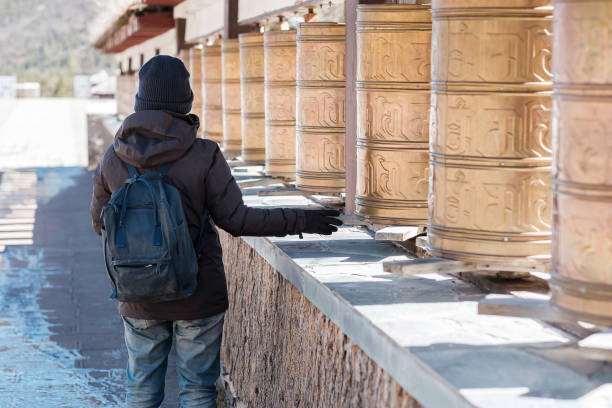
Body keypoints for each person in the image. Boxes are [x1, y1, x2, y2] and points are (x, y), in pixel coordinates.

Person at [89, 55, 342, 408]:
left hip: (137, 291)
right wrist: (303, 219)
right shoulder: (203, 153)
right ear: (185, 100)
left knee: (141, 391)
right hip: (199, 292)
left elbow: (100, 222)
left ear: (140, 100)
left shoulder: (114, 159)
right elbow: (237, 220)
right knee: (196, 390)